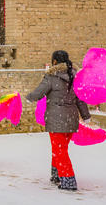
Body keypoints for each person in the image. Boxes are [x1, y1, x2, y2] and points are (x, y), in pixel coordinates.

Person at [27, 50, 91, 191]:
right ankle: (57, 175)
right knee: (61, 149)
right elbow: (80, 99)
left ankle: (68, 180)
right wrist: (85, 115)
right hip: (71, 119)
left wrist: (29, 97)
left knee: (60, 151)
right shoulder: (75, 76)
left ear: (54, 61)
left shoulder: (51, 76)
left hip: (57, 119)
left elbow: (38, 93)